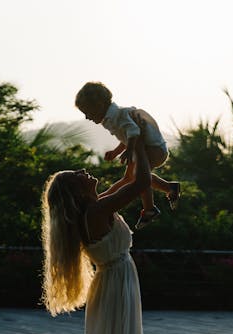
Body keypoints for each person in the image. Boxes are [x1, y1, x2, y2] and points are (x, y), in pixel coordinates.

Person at [40, 139, 152, 334]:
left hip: (115, 283)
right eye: (78, 175)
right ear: (76, 192)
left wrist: (131, 144)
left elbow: (129, 179)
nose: (83, 171)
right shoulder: (96, 212)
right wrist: (138, 146)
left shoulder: (96, 208)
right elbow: (141, 184)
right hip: (115, 285)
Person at [75, 81, 180, 229]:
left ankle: (150, 209)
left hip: (154, 149)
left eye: (87, 112)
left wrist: (129, 150)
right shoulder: (111, 119)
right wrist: (116, 151)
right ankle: (169, 188)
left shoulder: (119, 115)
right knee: (128, 178)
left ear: (98, 105)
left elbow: (133, 132)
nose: (87, 117)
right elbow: (126, 137)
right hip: (145, 148)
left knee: (139, 178)